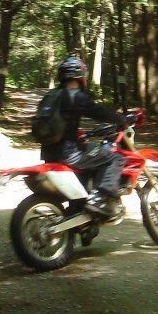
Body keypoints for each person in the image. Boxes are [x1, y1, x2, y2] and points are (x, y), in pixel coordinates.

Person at [39, 56, 131, 219]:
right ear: (80, 77)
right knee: (114, 157)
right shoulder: (75, 96)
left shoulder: (51, 95)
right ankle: (99, 198)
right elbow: (100, 113)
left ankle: (81, 214)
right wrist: (122, 120)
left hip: (49, 154)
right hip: (69, 155)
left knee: (90, 156)